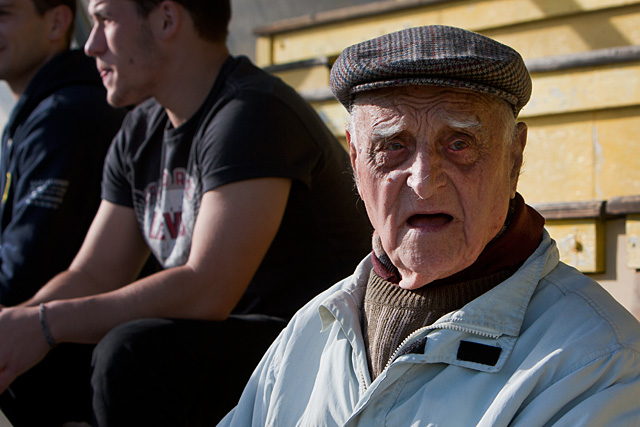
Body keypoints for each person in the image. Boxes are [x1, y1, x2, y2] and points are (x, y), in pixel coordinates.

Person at [220, 25, 640, 426]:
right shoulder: (310, 330)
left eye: (458, 143)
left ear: (514, 159)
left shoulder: (598, 362)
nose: (423, 180)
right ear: (354, 161)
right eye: (393, 146)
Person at [0, 0, 372, 425]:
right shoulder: (139, 129)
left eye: (104, 19)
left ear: (166, 18)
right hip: (223, 344)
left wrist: (46, 323)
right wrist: (19, 323)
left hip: (316, 351)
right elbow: (94, 274)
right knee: (26, 358)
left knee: (129, 353)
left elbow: (207, 289)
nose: (90, 45)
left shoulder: (252, 111)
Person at [0, 0, 125, 306]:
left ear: (57, 23)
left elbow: (22, 275)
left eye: (3, 14)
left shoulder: (62, 118)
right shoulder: (35, 115)